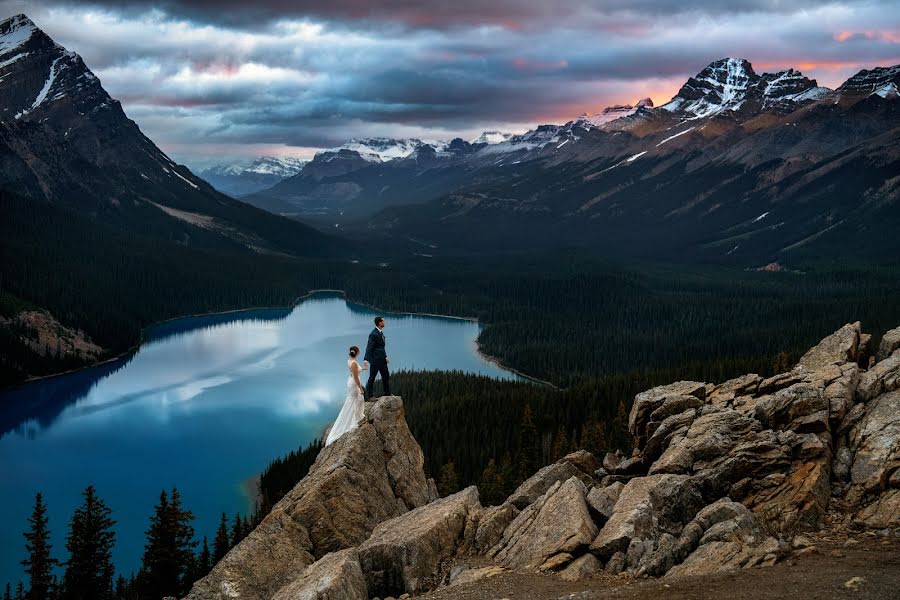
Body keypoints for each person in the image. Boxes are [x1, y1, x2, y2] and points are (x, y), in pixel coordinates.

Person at [325, 345, 367, 446]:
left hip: (350, 382)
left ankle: (356, 416)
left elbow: (355, 372)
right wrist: (361, 388)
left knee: (354, 400)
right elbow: (356, 378)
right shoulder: (354, 363)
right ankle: (352, 419)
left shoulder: (350, 360)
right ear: (357, 353)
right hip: (354, 384)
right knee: (356, 400)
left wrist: (364, 368)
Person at [364, 316, 390, 399]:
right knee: (372, 378)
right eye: (383, 321)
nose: (384, 322)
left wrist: (385, 356)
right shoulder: (373, 334)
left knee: (386, 376)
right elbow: (369, 347)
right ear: (379, 323)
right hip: (375, 361)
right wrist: (366, 359)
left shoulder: (380, 332)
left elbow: (381, 347)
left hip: (382, 360)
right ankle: (370, 396)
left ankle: (387, 394)